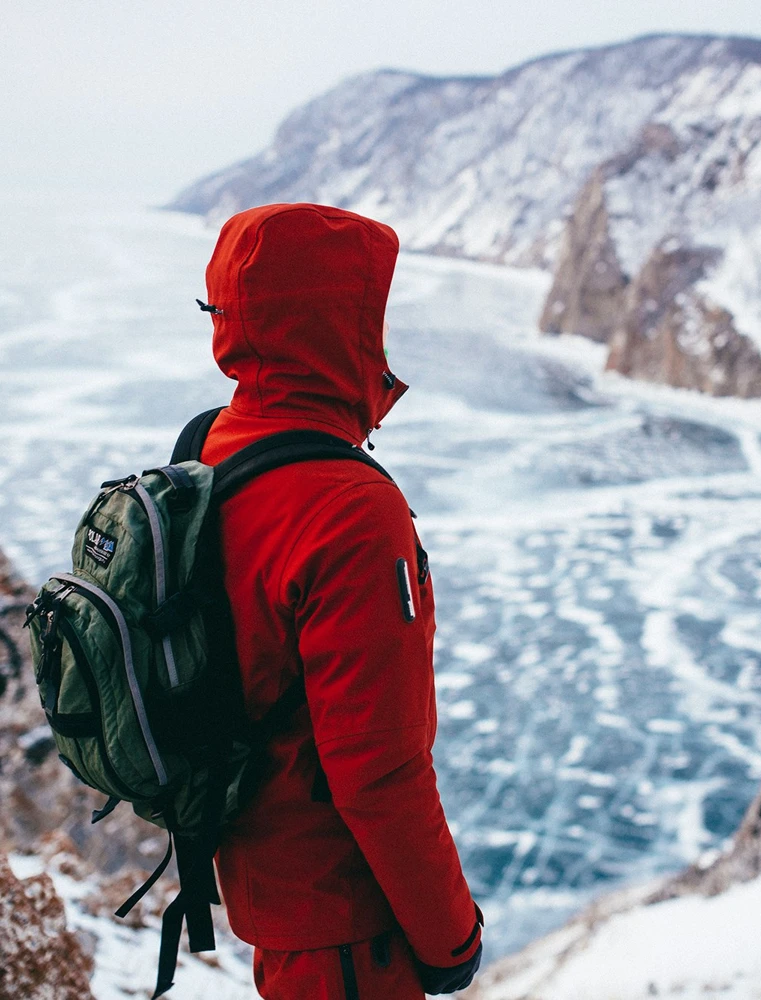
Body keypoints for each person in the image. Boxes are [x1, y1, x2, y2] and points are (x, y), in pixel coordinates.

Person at [198, 203, 483, 999]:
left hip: (266, 882)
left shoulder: (217, 444)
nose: (384, 342)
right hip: (346, 925)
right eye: (372, 317)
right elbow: (378, 771)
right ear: (331, 323)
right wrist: (452, 938)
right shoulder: (348, 506)